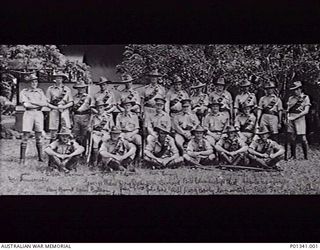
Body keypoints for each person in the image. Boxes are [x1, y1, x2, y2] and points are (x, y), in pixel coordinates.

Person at [19, 74, 48, 165]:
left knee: (39, 136)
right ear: (28, 83)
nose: (34, 83)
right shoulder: (24, 92)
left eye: (35, 82)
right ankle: (22, 158)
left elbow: (44, 103)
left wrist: (31, 102)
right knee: (25, 136)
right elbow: (26, 105)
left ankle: (40, 157)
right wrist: (38, 104)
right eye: (32, 82)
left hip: (38, 114)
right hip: (29, 113)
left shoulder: (40, 91)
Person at [285, 81, 311, 160]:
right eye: (293, 90)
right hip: (290, 118)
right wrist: (287, 118)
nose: (295, 91)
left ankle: (306, 156)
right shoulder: (291, 98)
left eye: (296, 89)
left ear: (300, 89)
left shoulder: (305, 98)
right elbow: (288, 110)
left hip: (300, 118)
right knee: (291, 137)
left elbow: (306, 111)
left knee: (303, 138)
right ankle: (293, 155)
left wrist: (295, 117)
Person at [46, 72, 73, 142]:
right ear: (55, 79)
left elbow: (71, 102)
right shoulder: (50, 89)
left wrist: (63, 107)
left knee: (65, 130)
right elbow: (47, 102)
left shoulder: (67, 89)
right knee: (53, 131)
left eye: (60, 78)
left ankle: (66, 149)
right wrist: (55, 108)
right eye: (57, 78)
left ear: (62, 79)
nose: (58, 79)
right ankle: (52, 149)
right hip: (54, 110)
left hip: (64, 111)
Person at [88, 100, 115, 166]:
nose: (99, 109)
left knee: (106, 142)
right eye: (98, 108)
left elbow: (112, 127)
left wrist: (109, 133)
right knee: (95, 142)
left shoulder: (108, 117)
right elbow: (89, 127)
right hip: (96, 133)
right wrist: (91, 130)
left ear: (104, 108)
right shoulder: (93, 117)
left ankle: (104, 161)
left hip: (105, 133)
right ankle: (95, 161)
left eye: (101, 107)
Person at [71, 80, 93, 148]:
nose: (80, 89)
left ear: (84, 88)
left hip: (85, 117)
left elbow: (92, 109)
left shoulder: (89, 97)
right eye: (79, 88)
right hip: (76, 117)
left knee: (85, 135)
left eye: (82, 88)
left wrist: (90, 121)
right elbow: (71, 110)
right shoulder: (74, 97)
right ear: (77, 89)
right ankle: (77, 151)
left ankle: (84, 152)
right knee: (76, 134)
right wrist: (71, 120)